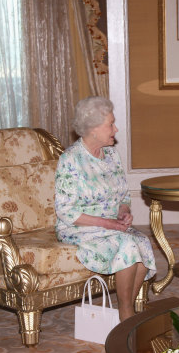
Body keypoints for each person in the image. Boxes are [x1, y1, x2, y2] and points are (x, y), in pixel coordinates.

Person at [55, 96, 156, 321]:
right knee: (128, 243)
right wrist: (109, 223)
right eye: (110, 124)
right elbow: (65, 211)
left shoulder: (111, 155)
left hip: (111, 225)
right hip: (78, 227)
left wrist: (123, 212)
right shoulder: (71, 160)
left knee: (142, 242)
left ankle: (126, 307)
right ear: (93, 129)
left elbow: (123, 195)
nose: (116, 128)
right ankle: (126, 314)